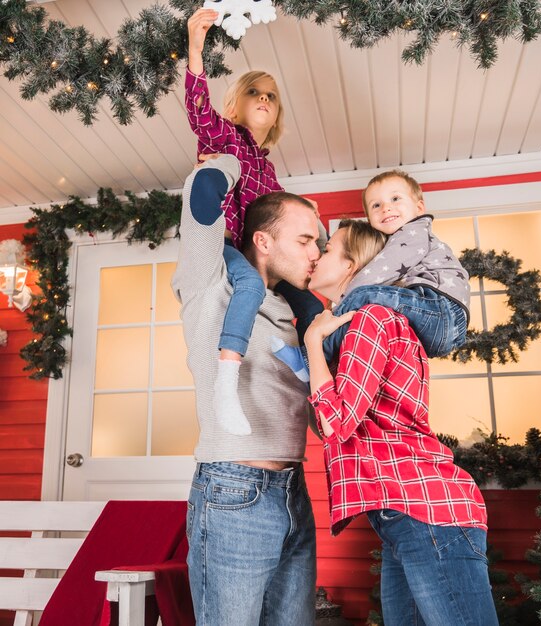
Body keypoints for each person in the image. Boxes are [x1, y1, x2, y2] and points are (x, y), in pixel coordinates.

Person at [304, 219, 499, 626]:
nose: (315, 256)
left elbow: (337, 423)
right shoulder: (360, 324)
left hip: (426, 511)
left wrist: (312, 345)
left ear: (351, 264)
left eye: (326, 250)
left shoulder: (371, 319)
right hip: (406, 514)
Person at [171, 154, 319, 626]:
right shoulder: (209, 281)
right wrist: (238, 159)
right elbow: (202, 191)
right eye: (304, 239)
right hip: (235, 491)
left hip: (294, 489)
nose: (316, 251)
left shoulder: (289, 310)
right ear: (262, 240)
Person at [186, 8, 324, 435]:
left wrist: (308, 214)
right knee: (247, 285)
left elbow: (281, 216)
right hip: (229, 243)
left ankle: (320, 377)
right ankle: (226, 383)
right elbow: (198, 111)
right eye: (254, 92)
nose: (264, 98)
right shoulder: (226, 137)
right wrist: (195, 44)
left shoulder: (269, 169)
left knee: (312, 304)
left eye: (271, 96)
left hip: (263, 251)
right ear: (236, 103)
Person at [273, 169, 469, 382]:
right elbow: (344, 252)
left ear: (419, 207)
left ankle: (310, 359)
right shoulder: (399, 242)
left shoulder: (415, 232)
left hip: (442, 310)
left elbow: (379, 270)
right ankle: (311, 359)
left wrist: (345, 301)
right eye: (376, 205)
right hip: (440, 320)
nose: (386, 208)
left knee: (362, 294)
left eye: (395, 198)